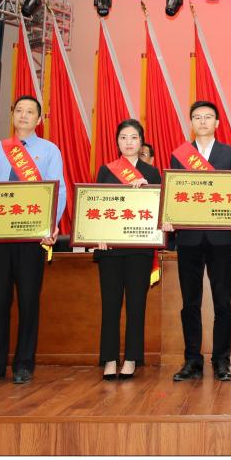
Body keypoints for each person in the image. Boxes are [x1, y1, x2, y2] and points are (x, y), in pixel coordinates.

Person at [0, 95, 66, 385]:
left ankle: (24, 364)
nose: (23, 115)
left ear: (39, 119)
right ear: (12, 115)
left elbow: (57, 190)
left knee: (28, 300)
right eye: (19, 110)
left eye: (30, 112)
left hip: (32, 237)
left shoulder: (49, 150)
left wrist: (51, 224)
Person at [165, 100, 231, 382]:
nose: (202, 121)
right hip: (188, 237)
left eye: (208, 117)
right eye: (197, 117)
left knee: (223, 302)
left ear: (217, 123)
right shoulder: (179, 156)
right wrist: (169, 217)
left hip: (221, 237)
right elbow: (174, 193)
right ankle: (192, 360)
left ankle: (222, 360)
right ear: (191, 123)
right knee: (190, 303)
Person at [94, 118, 160, 380]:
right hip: (110, 247)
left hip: (139, 247)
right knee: (110, 305)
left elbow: (158, 210)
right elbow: (97, 206)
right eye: (123, 137)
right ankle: (110, 358)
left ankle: (132, 358)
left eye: (134, 137)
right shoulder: (106, 170)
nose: (129, 142)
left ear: (141, 142)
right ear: (117, 141)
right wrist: (97, 235)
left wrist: (147, 189)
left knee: (136, 305)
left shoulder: (152, 174)